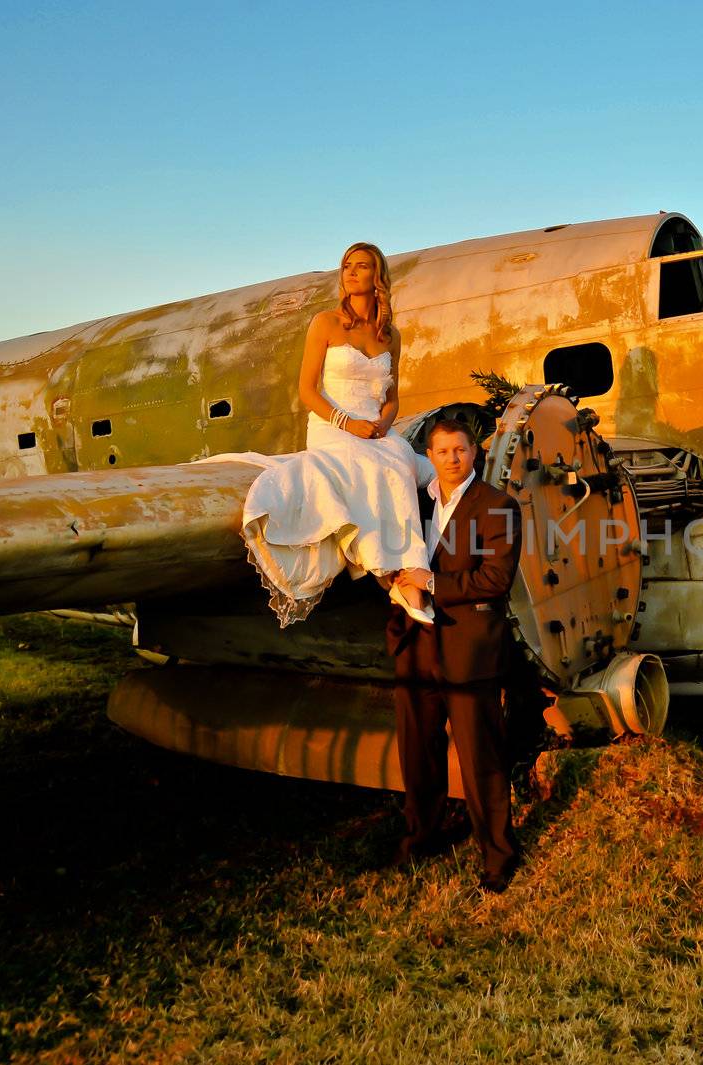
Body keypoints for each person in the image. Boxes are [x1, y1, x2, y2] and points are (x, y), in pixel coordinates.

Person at [214, 242, 436, 627]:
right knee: (366, 464)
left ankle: (406, 570)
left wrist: (384, 423)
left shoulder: (391, 336)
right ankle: (395, 574)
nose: (350, 272)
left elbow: (393, 397)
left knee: (402, 460)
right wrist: (347, 424)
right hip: (332, 426)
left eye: (361, 266)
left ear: (377, 277)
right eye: (347, 266)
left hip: (373, 427)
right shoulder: (326, 323)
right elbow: (306, 391)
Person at [387, 418, 524, 893]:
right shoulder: (413, 501)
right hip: (416, 643)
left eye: (459, 450)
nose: (451, 459)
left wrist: (434, 584)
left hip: (469, 650)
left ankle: (499, 855)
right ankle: (422, 837)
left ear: (473, 453)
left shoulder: (499, 506)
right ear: (429, 456)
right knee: (417, 752)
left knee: (479, 756)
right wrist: (395, 582)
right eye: (441, 452)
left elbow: (495, 580)